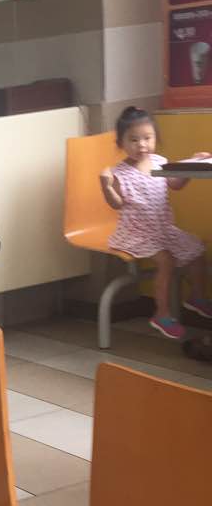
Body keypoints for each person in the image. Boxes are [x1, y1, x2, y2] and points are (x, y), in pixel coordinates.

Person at [100, 105, 212, 341]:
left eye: (147, 138)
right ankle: (161, 314)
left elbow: (175, 184)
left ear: (155, 139)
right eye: (134, 140)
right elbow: (116, 204)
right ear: (121, 143)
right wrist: (107, 186)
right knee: (166, 260)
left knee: (197, 249)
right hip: (136, 233)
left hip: (163, 230)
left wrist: (192, 165)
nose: (141, 145)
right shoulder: (120, 173)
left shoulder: (160, 161)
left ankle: (197, 297)